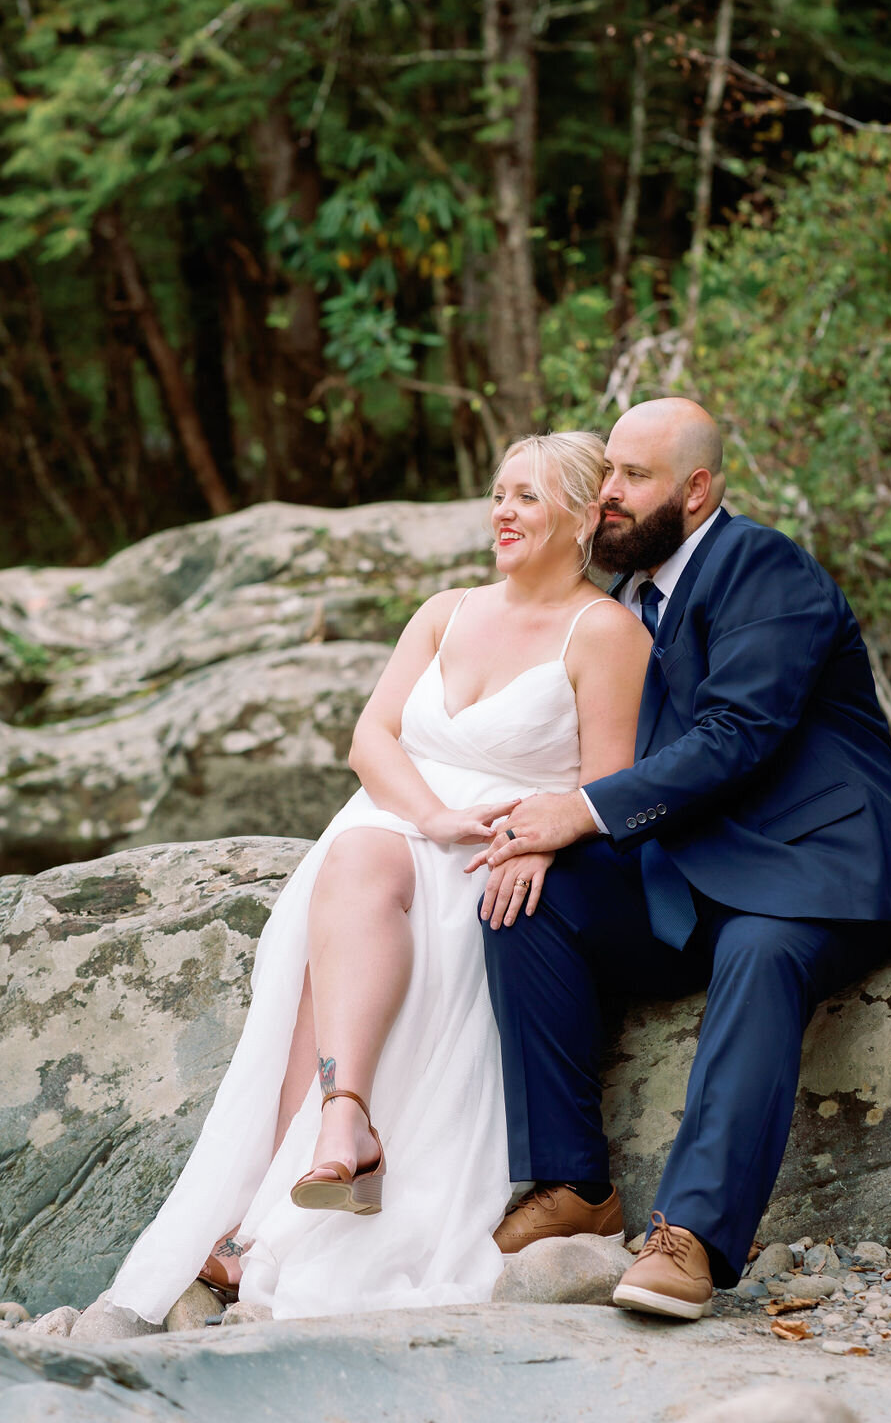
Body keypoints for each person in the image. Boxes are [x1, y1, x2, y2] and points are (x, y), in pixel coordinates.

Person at [105, 431, 651, 1323]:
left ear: (586, 516)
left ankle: (264, 1223)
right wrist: (428, 815)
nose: (501, 513)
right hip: (402, 826)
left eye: (527, 497)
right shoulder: (447, 609)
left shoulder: (607, 633)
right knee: (353, 861)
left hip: (495, 855)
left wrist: (536, 842)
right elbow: (371, 739)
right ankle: (345, 1119)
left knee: (349, 950)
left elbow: (606, 787)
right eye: (499, 493)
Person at [478, 397, 891, 1322]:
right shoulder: (621, 605)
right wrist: (531, 830)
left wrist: (581, 810)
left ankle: (688, 1236)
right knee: (528, 894)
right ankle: (573, 1183)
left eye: (632, 477)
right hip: (691, 875)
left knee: (761, 952)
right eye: (606, 471)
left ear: (695, 491)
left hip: (812, 861)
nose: (606, 494)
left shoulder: (761, 565)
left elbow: (739, 733)